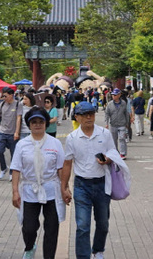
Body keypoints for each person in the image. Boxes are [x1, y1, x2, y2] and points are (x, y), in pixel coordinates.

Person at [61, 101, 118, 259]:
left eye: (91, 114)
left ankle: (98, 250)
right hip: (81, 186)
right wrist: (64, 187)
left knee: (103, 224)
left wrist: (107, 159)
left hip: (101, 184)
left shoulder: (104, 134)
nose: (89, 117)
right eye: (85, 115)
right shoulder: (72, 138)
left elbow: (113, 153)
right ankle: (83, 256)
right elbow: (67, 163)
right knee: (82, 226)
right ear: (77, 117)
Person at [10, 107, 66, 259]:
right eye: (33, 122)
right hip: (29, 189)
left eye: (41, 121)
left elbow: (61, 168)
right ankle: (30, 246)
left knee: (52, 227)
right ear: (29, 125)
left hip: (51, 189)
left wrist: (64, 188)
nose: (37, 125)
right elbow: (16, 169)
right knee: (29, 227)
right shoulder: (22, 144)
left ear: (46, 124)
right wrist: (15, 192)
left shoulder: (55, 144)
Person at [0, 87, 23, 181]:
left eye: (5, 96)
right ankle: (3, 168)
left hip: (12, 133)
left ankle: (12, 172)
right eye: (3, 96)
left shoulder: (18, 104)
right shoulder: (2, 104)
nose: (4, 98)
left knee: (13, 154)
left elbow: (19, 118)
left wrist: (17, 132)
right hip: (2, 131)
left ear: (11, 95)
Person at [104, 88, 131, 159]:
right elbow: (107, 114)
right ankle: (115, 152)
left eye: (115, 95)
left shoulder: (123, 103)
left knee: (122, 138)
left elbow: (126, 113)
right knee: (113, 139)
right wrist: (106, 123)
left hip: (122, 124)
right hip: (113, 124)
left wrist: (127, 123)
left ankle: (123, 153)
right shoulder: (109, 104)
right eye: (113, 95)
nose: (114, 96)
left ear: (119, 95)